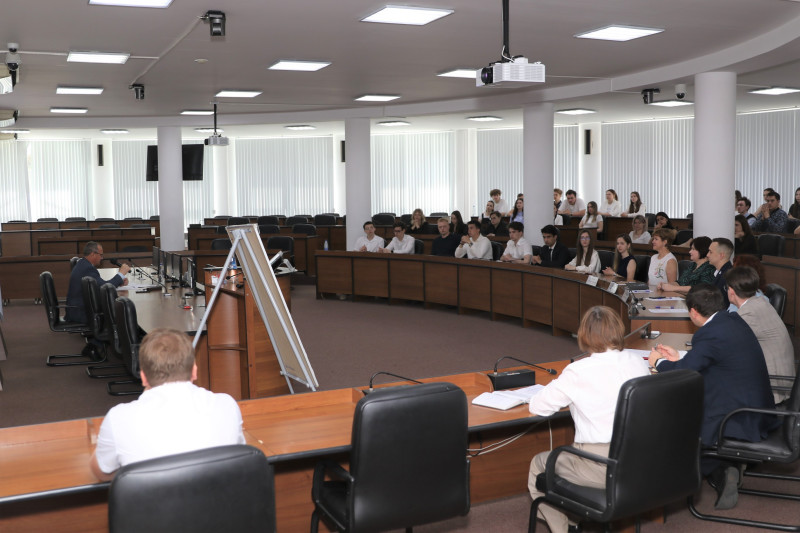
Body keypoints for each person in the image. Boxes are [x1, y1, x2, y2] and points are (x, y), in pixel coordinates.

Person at [649, 284, 777, 510]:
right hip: (756, 405)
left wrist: (658, 362)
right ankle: (727, 467)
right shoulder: (731, 320)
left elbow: (686, 371)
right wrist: (681, 356)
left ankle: (718, 470)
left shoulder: (710, 333)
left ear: (693, 312)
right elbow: (712, 358)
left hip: (739, 416)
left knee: (682, 422)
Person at [529, 306, 649, 533]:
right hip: (639, 460)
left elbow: (538, 406)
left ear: (584, 334)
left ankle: (565, 529)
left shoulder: (578, 371)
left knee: (538, 464)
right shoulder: (637, 361)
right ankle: (573, 521)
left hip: (599, 465)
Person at [90, 328, 245, 481]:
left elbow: (102, 472)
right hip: (218, 496)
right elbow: (239, 458)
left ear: (143, 377)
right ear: (194, 371)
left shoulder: (118, 418)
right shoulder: (227, 406)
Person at [726, 266, 795, 404]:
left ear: (731, 291)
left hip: (774, 389)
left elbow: (727, 345)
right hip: (781, 381)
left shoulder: (748, 314)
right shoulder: (761, 302)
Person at [66, 241, 130, 337]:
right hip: (81, 312)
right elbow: (105, 289)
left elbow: (102, 285)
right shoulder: (88, 268)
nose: (102, 258)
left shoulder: (83, 264)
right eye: (101, 255)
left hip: (78, 309)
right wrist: (121, 274)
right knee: (120, 308)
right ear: (93, 254)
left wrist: (119, 281)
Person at [708, 237, 734, 305]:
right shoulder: (721, 272)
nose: (707, 255)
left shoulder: (728, 276)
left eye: (710, 252)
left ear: (721, 255)